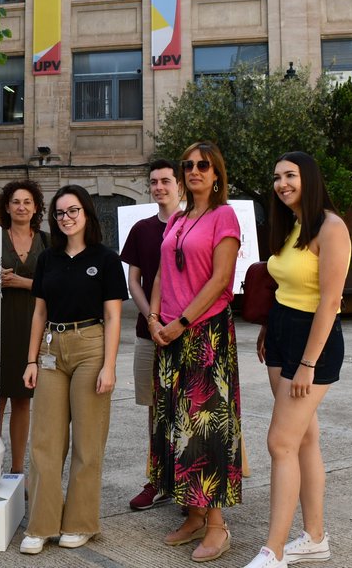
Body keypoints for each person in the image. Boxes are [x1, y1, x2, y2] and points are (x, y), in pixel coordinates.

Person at [242, 152, 350, 568]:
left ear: (309, 178)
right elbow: (285, 285)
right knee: (303, 438)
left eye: (290, 175)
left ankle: (274, 551)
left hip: (314, 342)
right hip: (283, 331)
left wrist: (308, 363)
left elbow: (330, 302)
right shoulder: (292, 227)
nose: (282, 183)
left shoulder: (331, 227)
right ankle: (316, 538)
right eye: (276, 177)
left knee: (280, 442)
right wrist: (270, 327)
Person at [147, 144, 243, 562]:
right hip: (168, 335)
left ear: (217, 173)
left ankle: (218, 526)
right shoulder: (179, 218)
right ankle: (193, 513)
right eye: (187, 165)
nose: (194, 171)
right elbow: (162, 272)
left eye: (203, 165)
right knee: (174, 425)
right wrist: (153, 318)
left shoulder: (225, 216)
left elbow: (222, 277)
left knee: (207, 428)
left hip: (205, 336)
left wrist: (180, 322)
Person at [19, 186, 126, 555]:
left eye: (73, 210)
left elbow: (113, 316)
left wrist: (109, 366)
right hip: (51, 349)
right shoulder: (48, 258)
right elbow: (39, 313)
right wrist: (31, 360)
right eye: (60, 213)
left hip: (91, 346)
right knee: (45, 441)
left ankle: (80, 522)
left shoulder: (106, 258)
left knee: (87, 440)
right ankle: (41, 524)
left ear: (87, 213)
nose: (66, 218)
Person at [120, 158, 181, 512]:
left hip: (187, 333)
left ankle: (187, 481)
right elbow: (134, 281)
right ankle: (158, 480)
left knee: (186, 408)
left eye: (166, 181)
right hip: (148, 334)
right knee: (155, 409)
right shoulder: (142, 229)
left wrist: (176, 323)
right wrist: (152, 319)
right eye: (154, 182)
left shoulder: (193, 225)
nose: (159, 187)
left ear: (179, 186)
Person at [0, 179, 47, 474]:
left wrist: (21, 282)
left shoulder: (48, 241)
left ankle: (17, 470)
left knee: (22, 401)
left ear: (36, 208)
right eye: (16, 201)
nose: (21, 207)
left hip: (33, 327)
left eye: (27, 202)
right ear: (7, 206)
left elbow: (54, 285)